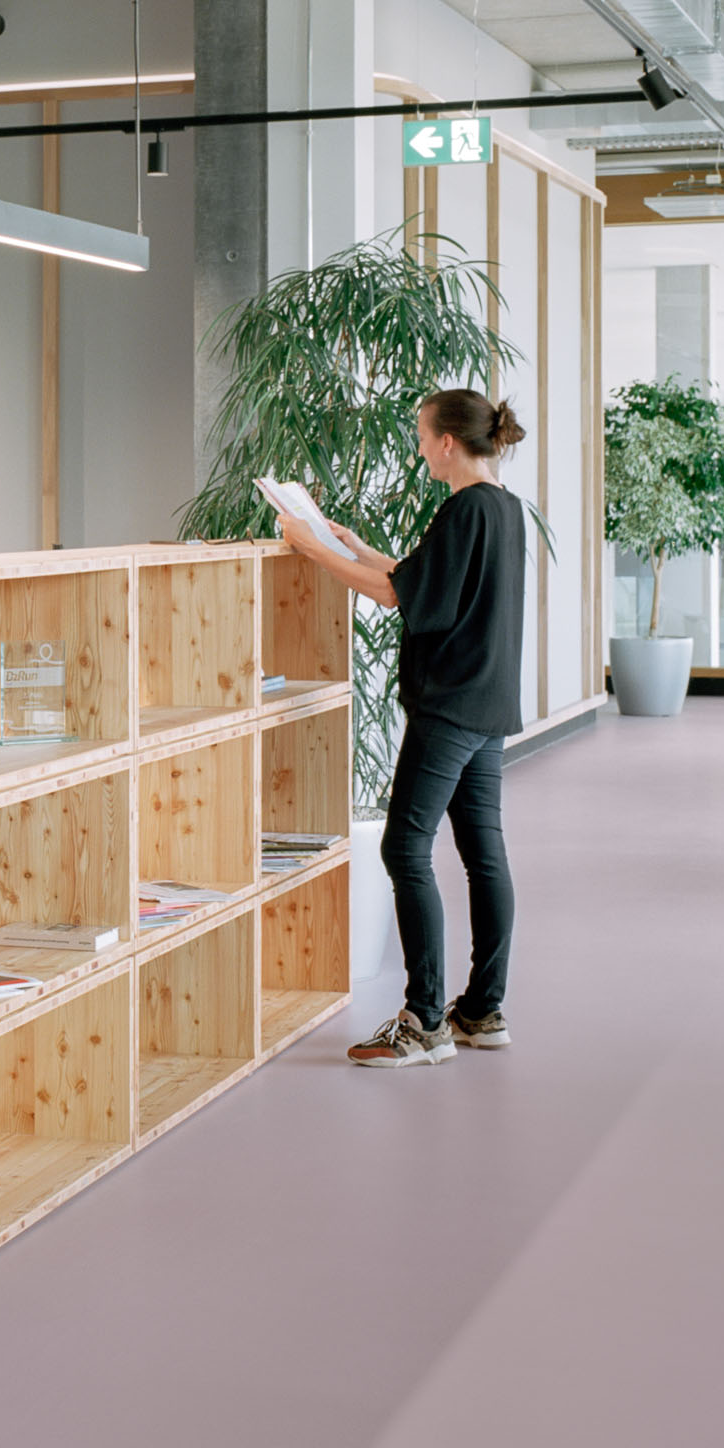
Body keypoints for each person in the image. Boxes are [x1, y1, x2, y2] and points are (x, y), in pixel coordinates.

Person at [277, 389, 528, 1068]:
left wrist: (309, 547)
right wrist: (354, 544)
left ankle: (423, 1021)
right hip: (488, 705)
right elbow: (422, 581)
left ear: (448, 441)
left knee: (404, 848)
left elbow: (394, 596)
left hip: (448, 708)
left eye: (422, 435)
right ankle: (482, 1010)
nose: (418, 447)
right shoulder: (502, 509)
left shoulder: (462, 508)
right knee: (484, 852)